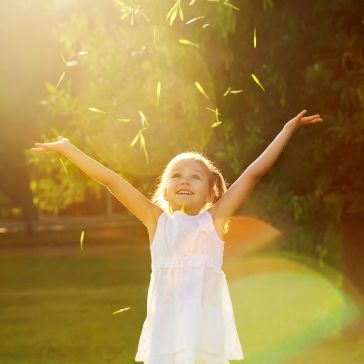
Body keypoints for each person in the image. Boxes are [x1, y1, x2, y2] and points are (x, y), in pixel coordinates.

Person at [31, 110, 323, 363]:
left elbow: (252, 174)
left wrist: (287, 130)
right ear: (165, 190)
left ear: (212, 193)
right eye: (176, 175)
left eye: (195, 176)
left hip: (205, 335)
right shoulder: (156, 222)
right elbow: (110, 179)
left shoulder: (213, 220)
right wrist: (68, 148)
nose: (184, 179)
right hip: (166, 336)